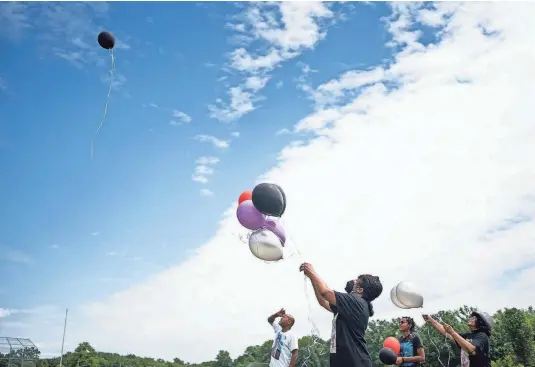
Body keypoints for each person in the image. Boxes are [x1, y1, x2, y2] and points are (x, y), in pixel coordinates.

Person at [299, 262, 383, 367]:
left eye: (357, 281)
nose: (354, 281)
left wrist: (312, 272)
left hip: (355, 363)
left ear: (360, 290)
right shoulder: (351, 306)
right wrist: (312, 278)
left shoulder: (357, 302)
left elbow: (326, 292)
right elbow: (323, 301)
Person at [423, 311, 492, 367]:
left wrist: (453, 332)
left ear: (481, 322)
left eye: (474, 318)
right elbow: (448, 333)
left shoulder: (482, 336)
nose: (471, 318)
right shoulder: (469, 335)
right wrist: (431, 320)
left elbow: (471, 350)